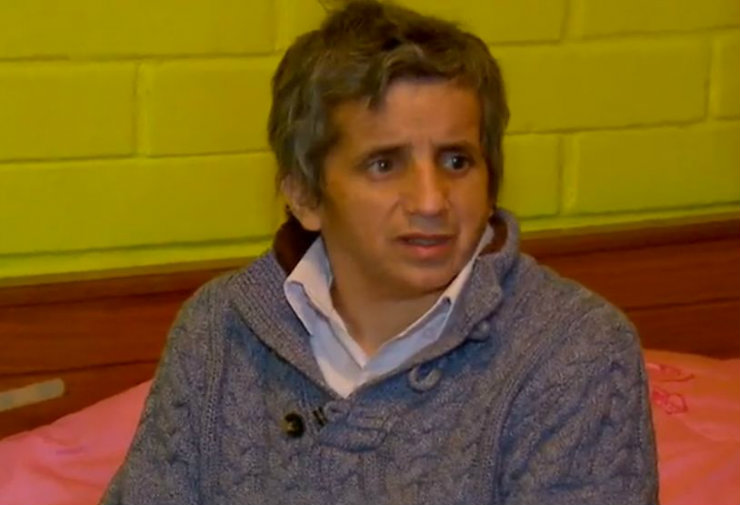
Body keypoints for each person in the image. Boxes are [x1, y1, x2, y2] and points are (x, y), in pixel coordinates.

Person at [100, 1, 659, 504]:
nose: (431, 201)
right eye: (384, 164)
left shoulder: (577, 352)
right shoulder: (218, 330)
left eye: (457, 161)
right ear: (305, 195)